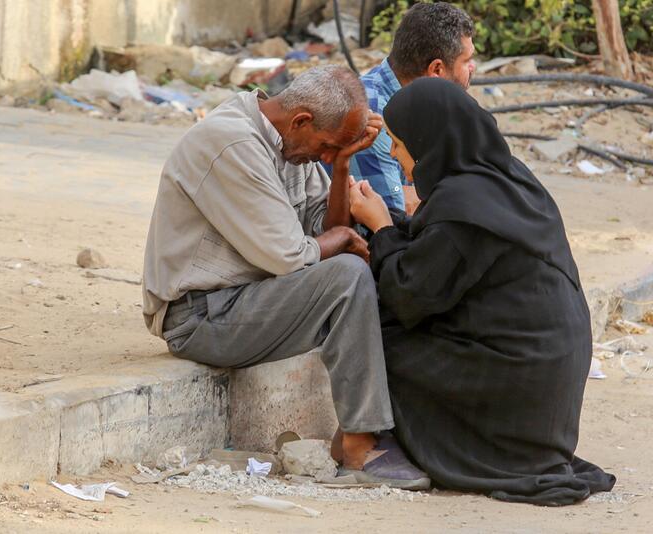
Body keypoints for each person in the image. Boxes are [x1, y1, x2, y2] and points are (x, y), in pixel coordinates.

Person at [141, 65, 428, 489]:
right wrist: (344, 239)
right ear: (301, 121)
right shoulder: (232, 142)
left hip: (250, 299)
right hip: (200, 316)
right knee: (348, 274)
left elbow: (321, 226)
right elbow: (292, 255)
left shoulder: (289, 141)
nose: (324, 158)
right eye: (327, 147)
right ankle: (360, 446)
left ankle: (374, 430)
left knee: (373, 268)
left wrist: (344, 165)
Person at [348, 77, 616, 506]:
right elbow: (440, 255)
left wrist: (380, 227)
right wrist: (397, 224)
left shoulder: (460, 206)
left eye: (399, 145)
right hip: (549, 372)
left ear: (429, 141)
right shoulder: (506, 177)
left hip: (518, 378)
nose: (397, 159)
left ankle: (383, 445)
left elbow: (409, 294)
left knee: (379, 332)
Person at [340, 2, 476, 214]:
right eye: (466, 61)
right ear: (436, 69)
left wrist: (420, 198)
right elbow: (392, 221)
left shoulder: (432, 103)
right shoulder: (374, 116)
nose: (472, 68)